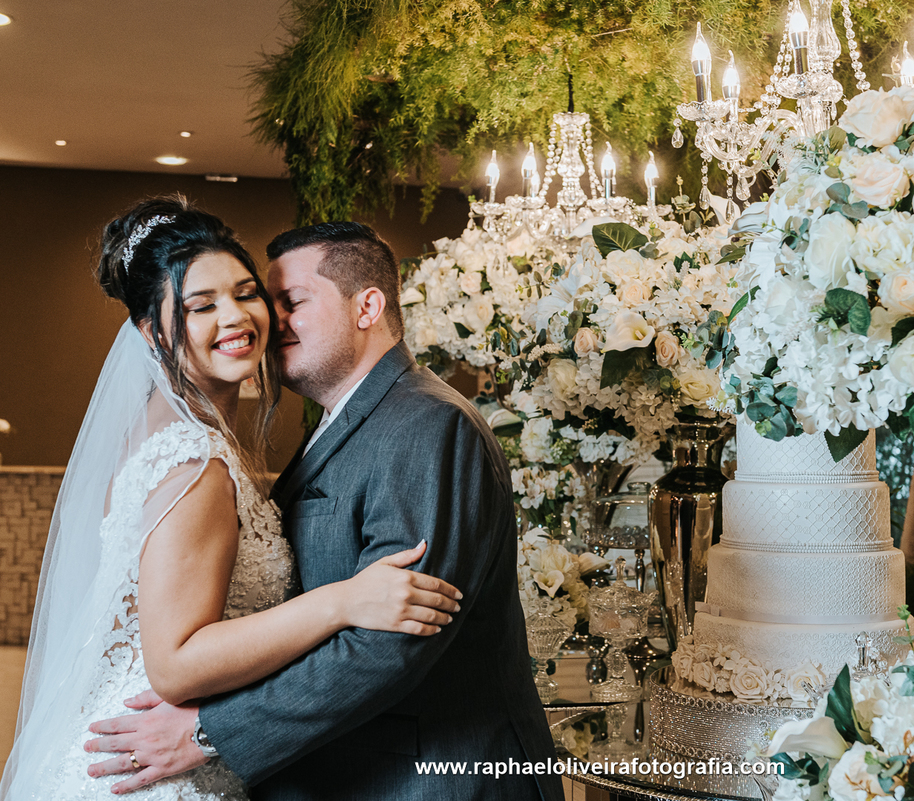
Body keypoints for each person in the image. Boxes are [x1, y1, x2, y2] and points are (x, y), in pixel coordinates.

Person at [0, 198, 462, 801]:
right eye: (201, 306)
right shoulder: (194, 459)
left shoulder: (178, 431)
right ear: (151, 331)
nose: (237, 317)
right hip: (155, 766)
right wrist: (341, 601)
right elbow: (175, 662)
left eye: (246, 294)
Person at [84, 221, 563, 800]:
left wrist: (210, 732)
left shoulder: (427, 424)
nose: (267, 319)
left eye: (291, 302)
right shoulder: (327, 425)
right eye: (270, 300)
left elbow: (393, 639)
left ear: (367, 307)